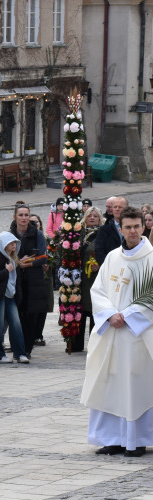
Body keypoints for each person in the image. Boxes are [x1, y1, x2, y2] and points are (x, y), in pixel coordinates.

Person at [81, 206, 153, 457]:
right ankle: (112, 438)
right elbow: (97, 290)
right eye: (128, 227)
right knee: (109, 383)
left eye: (137, 226)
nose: (133, 231)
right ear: (120, 229)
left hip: (138, 335)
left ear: (143, 227)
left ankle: (138, 439)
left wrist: (129, 315)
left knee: (136, 386)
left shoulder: (151, 259)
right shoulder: (112, 257)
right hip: (111, 330)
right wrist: (111, 314)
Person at [0, 231, 28, 363]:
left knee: (16, 323)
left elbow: (15, 279)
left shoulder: (14, 258)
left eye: (15, 242)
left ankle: (20, 353)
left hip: (10, 295)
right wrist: (6, 270)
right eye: (11, 243)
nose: (14, 245)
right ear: (4, 244)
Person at [9, 203, 47, 356]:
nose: (24, 218)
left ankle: (27, 349)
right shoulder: (10, 234)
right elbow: (4, 256)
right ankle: (16, 347)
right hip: (15, 280)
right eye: (21, 215)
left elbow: (43, 257)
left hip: (33, 280)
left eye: (26, 215)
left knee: (30, 315)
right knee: (16, 314)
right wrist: (18, 263)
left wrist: (27, 264)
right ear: (15, 217)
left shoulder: (36, 234)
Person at [73, 206, 104, 354]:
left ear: (100, 218)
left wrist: (100, 264)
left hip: (95, 279)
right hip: (79, 278)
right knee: (78, 310)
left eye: (95, 216)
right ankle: (76, 344)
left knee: (93, 310)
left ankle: (93, 344)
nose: (92, 218)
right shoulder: (79, 232)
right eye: (89, 215)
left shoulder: (103, 233)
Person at [95, 196, 126, 265]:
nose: (117, 209)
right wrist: (109, 266)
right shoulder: (104, 229)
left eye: (120, 207)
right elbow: (99, 251)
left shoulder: (134, 227)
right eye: (115, 207)